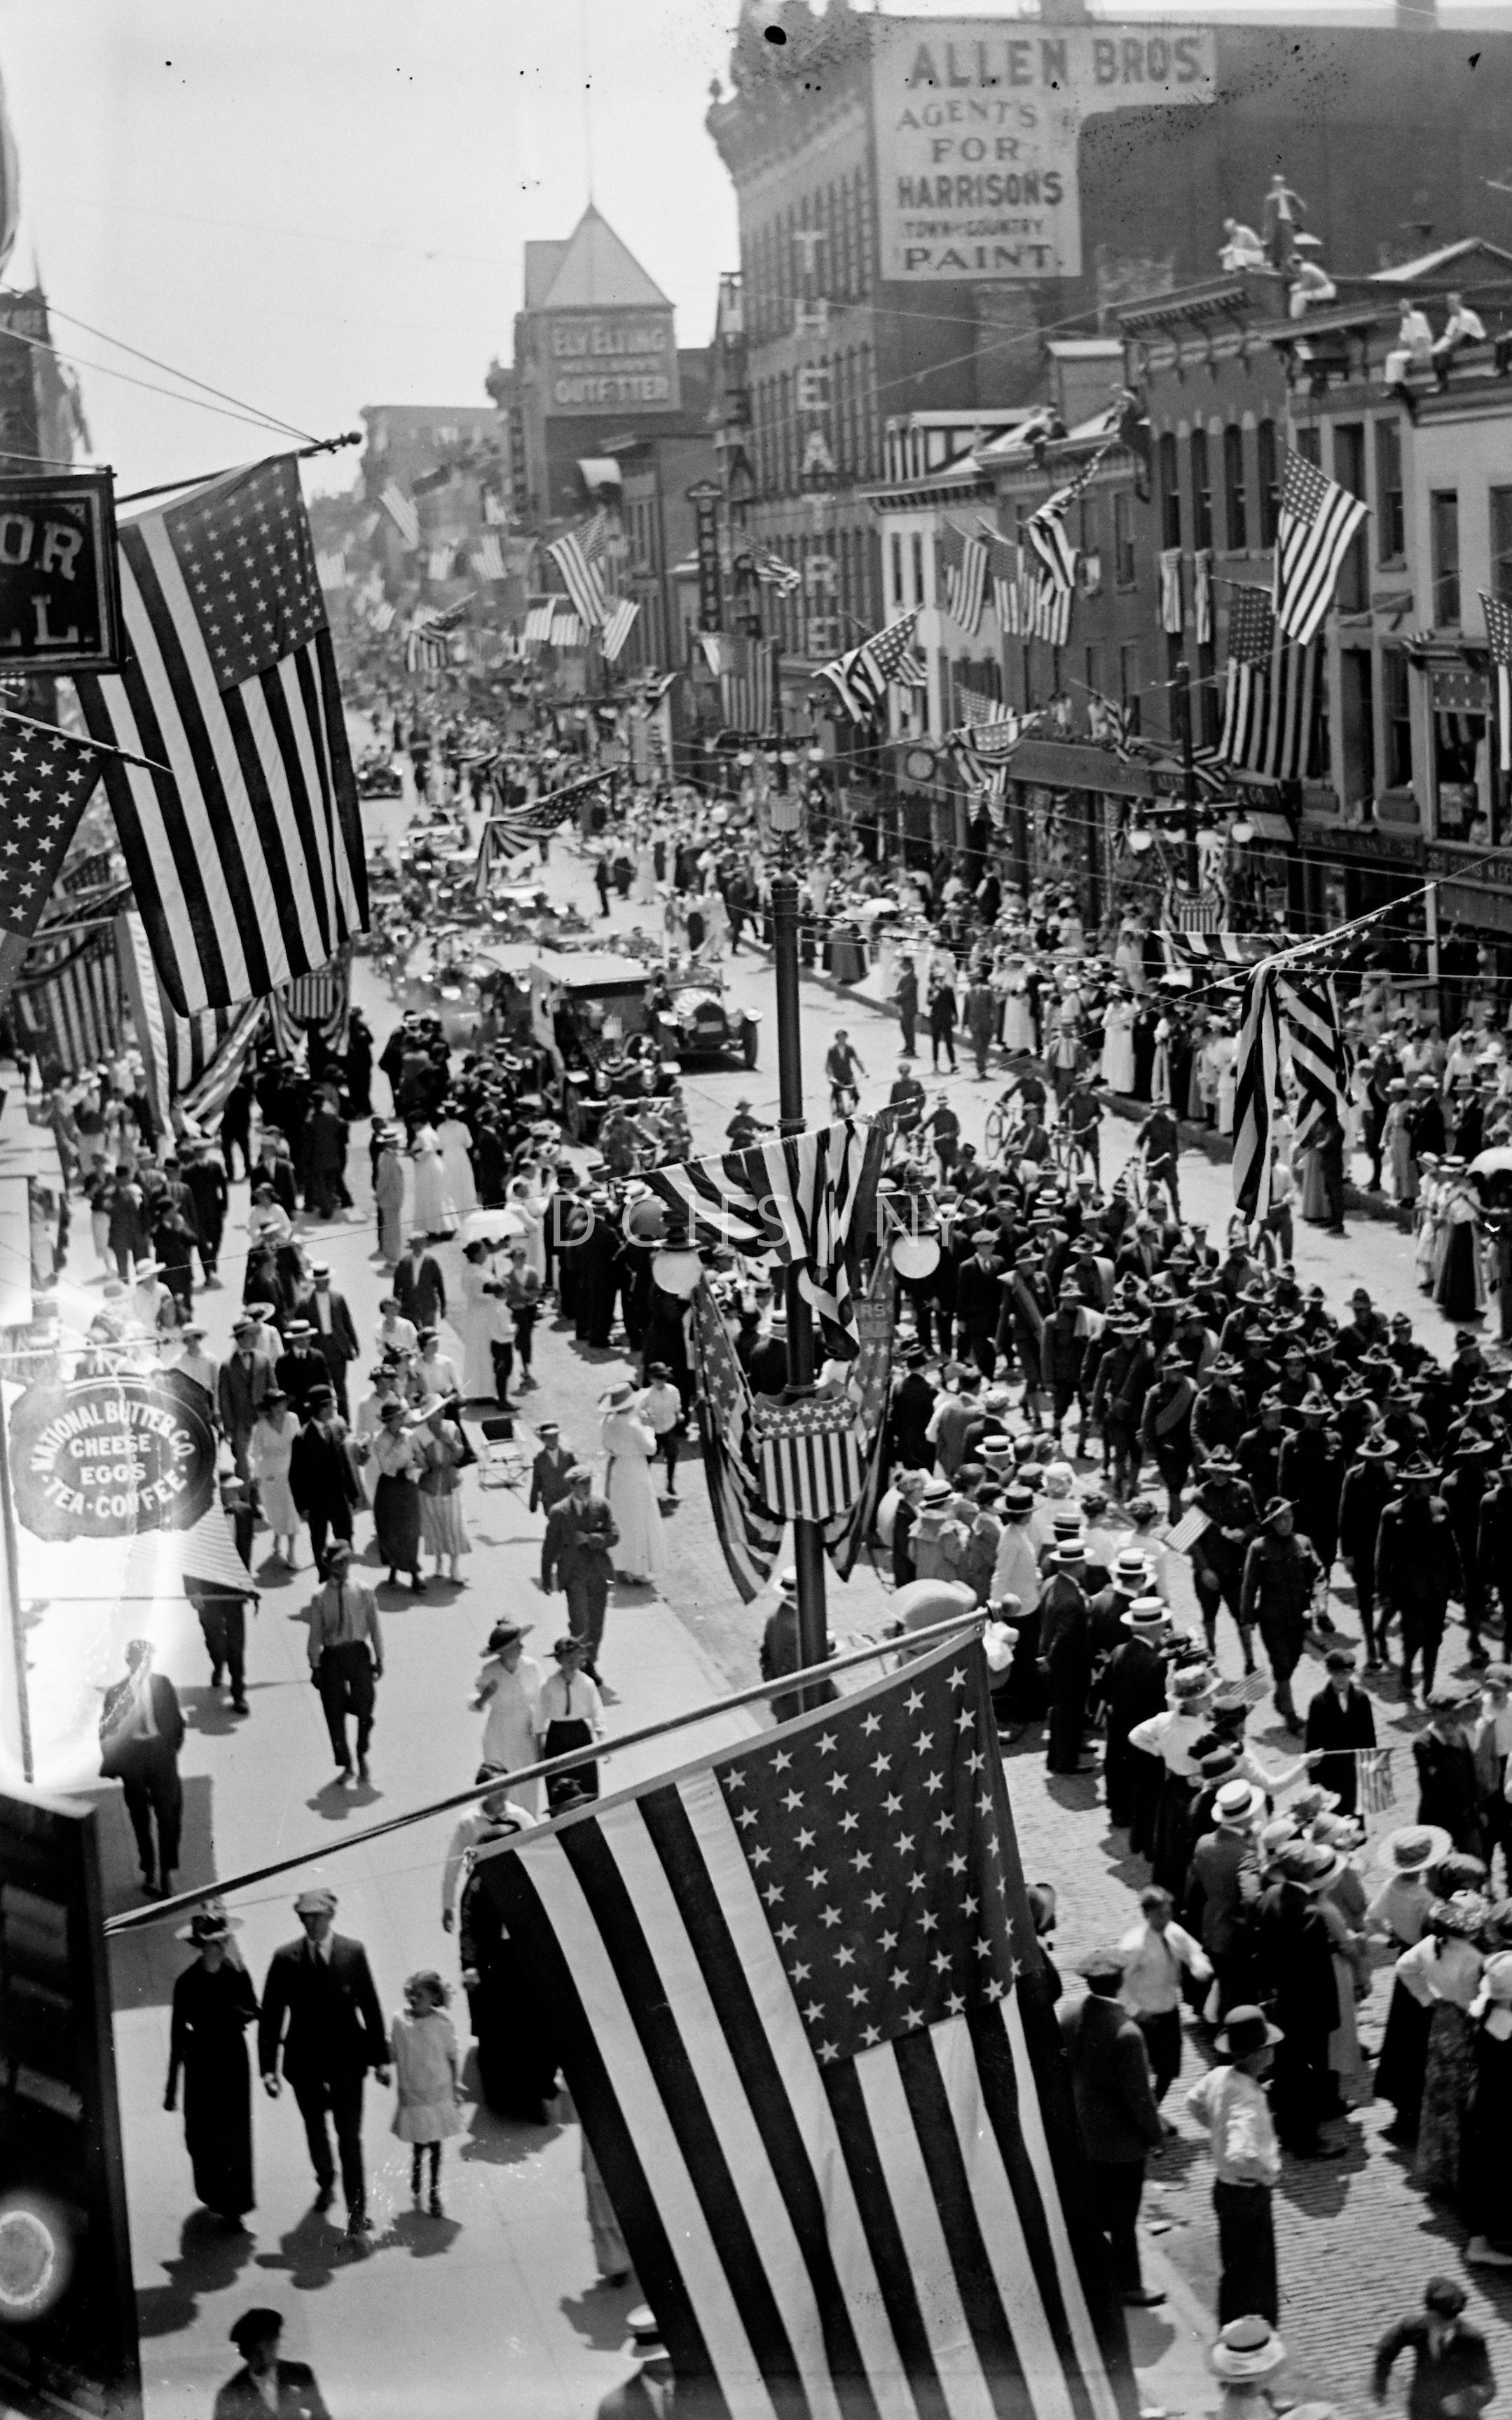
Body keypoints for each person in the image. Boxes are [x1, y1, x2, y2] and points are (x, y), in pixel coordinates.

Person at [259, 1885, 390, 2240]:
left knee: (350, 2138)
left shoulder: (353, 1952)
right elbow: (271, 2015)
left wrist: (381, 2059)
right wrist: (268, 2069)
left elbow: (370, 2005)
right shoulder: (285, 1959)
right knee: (315, 2129)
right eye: (305, 1918)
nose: (310, 1924)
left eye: (316, 1917)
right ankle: (326, 2179)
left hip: (348, 2061)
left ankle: (356, 2213)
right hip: (305, 2064)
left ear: (331, 1915)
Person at [1057, 1947, 1167, 2306]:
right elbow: (1140, 2097)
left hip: (1082, 2134)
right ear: (1121, 1981)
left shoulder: (1070, 2013)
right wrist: (1155, 2136)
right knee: (1123, 2219)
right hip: (1120, 2146)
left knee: (1091, 2211)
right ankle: (1128, 2284)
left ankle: (1091, 2275)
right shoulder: (1127, 2033)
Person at [1185, 2005, 1283, 2325]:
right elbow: (1242, 2155)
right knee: (1257, 2274)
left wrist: (1216, 2128)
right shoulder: (1247, 2098)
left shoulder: (1219, 2076)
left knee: (1235, 2268)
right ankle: (1255, 2334)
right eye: (1267, 2045)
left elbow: (1193, 2102)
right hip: (1247, 2194)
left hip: (1225, 2189)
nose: (1272, 2050)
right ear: (1257, 2054)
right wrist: (1267, 2173)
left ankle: (1231, 2327)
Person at [164, 1906, 260, 2226]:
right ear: (201, 1946)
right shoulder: (187, 1983)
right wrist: (171, 2089)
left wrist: (242, 2009)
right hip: (201, 2063)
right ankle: (213, 2193)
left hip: (232, 2061)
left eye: (223, 1941)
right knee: (202, 2134)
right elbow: (177, 2035)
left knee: (233, 2134)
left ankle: (234, 2207)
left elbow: (253, 2008)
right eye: (213, 1943)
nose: (219, 1948)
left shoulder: (236, 1974)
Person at [99, 1639, 186, 1899]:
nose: (144, 1665)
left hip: (160, 1754)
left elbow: (176, 1721)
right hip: (133, 1758)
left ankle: (167, 1872)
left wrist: (170, 1748)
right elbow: (105, 1731)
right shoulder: (116, 1693)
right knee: (140, 1819)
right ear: (129, 1662)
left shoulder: (163, 1684)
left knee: (168, 1816)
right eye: (138, 1660)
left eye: (147, 1659)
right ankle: (149, 1870)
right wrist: (121, 1764)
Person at [1118, 1884, 1213, 2111]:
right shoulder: (1134, 1946)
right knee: (1141, 2070)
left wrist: (1199, 1966)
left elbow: (1192, 1951)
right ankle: (1142, 2112)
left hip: (1168, 2010)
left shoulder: (1173, 1932)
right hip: (1144, 2016)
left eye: (1168, 1912)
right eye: (1160, 1914)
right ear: (1147, 1914)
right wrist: (1135, 2011)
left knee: (1168, 2069)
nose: (1166, 1918)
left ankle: (1152, 2108)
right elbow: (1119, 1983)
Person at [305, 1541, 383, 1785]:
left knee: (365, 1706)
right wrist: (315, 1666)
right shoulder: (320, 1596)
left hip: (358, 1653)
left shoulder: (363, 1591)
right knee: (334, 1711)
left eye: (344, 1562)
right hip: (332, 1656)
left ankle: (361, 1753)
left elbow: (375, 1626)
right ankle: (347, 1763)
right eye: (336, 1564)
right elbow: (315, 1634)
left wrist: (380, 1657)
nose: (341, 1567)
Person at [388, 1969, 462, 2218]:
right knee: (419, 2143)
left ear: (434, 1998)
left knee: (436, 2145)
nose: (414, 1999)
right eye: (412, 1993)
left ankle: (433, 2192)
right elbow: (393, 2051)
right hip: (413, 2092)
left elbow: (452, 2055)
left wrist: (455, 2086)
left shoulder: (441, 2025)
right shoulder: (400, 2022)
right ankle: (417, 2176)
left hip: (437, 2094)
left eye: (420, 1995)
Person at [1371, 2277, 1496, 2420]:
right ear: (1429, 2313)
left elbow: (1488, 2386)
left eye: (1452, 2319)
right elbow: (1386, 2350)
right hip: (1422, 2410)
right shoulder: (1415, 2327)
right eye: (1440, 2320)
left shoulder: (1472, 2340)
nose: (1447, 2325)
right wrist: (1380, 2383)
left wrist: (1463, 2400)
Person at [539, 1466, 619, 1677]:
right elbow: (550, 1546)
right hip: (573, 1574)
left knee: (596, 1623)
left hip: (599, 1574)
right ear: (572, 1486)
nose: (587, 1487)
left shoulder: (601, 1506)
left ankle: (590, 1659)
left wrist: (591, 1539)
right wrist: (546, 1577)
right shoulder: (559, 1512)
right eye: (582, 1483)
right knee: (579, 1621)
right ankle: (584, 1664)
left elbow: (614, 1535)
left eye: (589, 1483)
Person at [469, 1621, 544, 1815]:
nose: (522, 1647)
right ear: (504, 1650)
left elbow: (541, 1702)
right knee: (502, 1778)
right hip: (499, 1732)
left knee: (527, 1780)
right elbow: (475, 1705)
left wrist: (540, 1734)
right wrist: (485, 1696)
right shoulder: (490, 1671)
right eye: (517, 1644)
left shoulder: (531, 1667)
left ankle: (529, 1822)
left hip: (525, 1730)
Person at [599, 1381, 666, 1583]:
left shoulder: (607, 1422)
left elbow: (607, 1446)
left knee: (621, 1517)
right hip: (635, 1471)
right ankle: (637, 1570)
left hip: (618, 1470)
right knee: (639, 1519)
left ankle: (621, 1564)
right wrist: (650, 1428)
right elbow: (651, 1449)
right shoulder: (635, 1425)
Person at [214, 2310, 331, 2420]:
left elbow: (321, 2416)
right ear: (246, 2352)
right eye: (260, 2349)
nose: (270, 2352)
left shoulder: (299, 2374)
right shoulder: (230, 2394)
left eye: (272, 2343)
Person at [1304, 1646, 1376, 1817]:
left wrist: (1370, 1766)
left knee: (1355, 1819)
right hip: (1329, 1775)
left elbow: (1369, 1736)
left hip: (1355, 1773)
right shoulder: (1318, 1702)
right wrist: (1314, 1781)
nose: (1341, 1678)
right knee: (1334, 1820)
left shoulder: (1361, 1699)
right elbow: (1312, 1743)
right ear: (1329, 1672)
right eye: (1336, 1673)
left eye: (1345, 1673)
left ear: (1352, 1673)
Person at [537, 1635, 605, 1810]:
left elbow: (597, 1712)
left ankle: (588, 1817)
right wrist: (540, 1751)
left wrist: (602, 1742)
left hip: (580, 1735)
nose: (572, 1661)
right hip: (557, 1737)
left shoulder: (587, 1683)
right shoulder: (549, 1685)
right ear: (558, 1660)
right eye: (567, 1657)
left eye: (576, 1656)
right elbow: (540, 1717)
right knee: (558, 1782)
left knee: (585, 1781)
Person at [371, 1398, 427, 1591]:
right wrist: (397, 1445)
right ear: (388, 1421)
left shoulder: (409, 1435)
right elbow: (386, 1466)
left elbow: (420, 1458)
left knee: (410, 1530)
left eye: (401, 1417)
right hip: (390, 1487)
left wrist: (418, 1462)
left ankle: (414, 1574)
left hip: (408, 1487)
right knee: (390, 1529)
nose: (400, 1421)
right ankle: (394, 1567)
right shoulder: (380, 1439)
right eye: (396, 1418)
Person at [247, 1387, 302, 1569]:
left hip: (291, 1470)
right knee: (277, 1510)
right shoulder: (261, 1427)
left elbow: (300, 1444)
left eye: (282, 1405)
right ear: (269, 1408)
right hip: (270, 1472)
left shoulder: (293, 1419)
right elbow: (255, 1453)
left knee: (291, 1510)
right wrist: (255, 1475)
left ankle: (291, 1553)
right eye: (275, 1406)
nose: (279, 1409)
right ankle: (277, 1535)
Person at [417, 1399, 469, 1585]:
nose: (441, 1413)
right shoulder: (420, 1433)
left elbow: (461, 1453)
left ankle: (454, 1567)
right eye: (436, 1411)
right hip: (429, 1484)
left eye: (442, 1409)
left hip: (450, 1482)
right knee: (434, 1525)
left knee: (454, 1526)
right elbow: (418, 1459)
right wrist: (421, 1462)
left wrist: (449, 1442)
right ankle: (439, 1562)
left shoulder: (451, 1427)